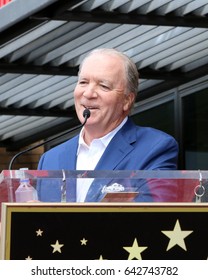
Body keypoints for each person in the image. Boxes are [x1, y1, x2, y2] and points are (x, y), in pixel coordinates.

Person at [37, 48, 179, 202]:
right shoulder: (50, 159)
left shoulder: (155, 148)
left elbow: (154, 216)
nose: (88, 93)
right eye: (83, 82)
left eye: (103, 86)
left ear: (127, 100)